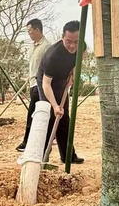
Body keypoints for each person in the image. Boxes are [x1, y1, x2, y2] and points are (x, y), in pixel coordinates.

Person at [36, 21, 84, 164]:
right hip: (47, 82)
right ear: (62, 37)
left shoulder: (81, 46)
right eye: (68, 41)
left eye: (76, 42)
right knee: (50, 117)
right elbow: (46, 84)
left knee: (64, 119)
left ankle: (68, 156)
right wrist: (55, 106)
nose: (73, 46)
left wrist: (73, 74)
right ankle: (41, 157)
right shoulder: (53, 56)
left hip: (63, 81)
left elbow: (80, 57)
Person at [16, 18, 51, 151]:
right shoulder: (32, 47)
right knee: (34, 113)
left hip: (41, 84)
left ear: (37, 30)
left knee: (34, 113)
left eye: (30, 30)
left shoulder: (47, 46)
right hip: (32, 83)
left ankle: (27, 142)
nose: (29, 33)